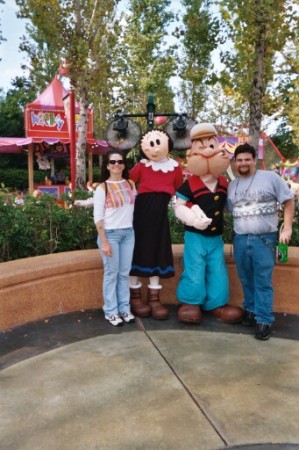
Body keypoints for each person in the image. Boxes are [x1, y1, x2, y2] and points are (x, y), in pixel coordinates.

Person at [174, 123, 243, 324]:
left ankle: (217, 304)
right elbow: (178, 206)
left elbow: (229, 205)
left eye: (210, 146)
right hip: (195, 237)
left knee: (217, 269)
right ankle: (190, 302)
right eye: (201, 147)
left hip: (216, 238)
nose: (206, 152)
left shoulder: (223, 183)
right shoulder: (190, 183)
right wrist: (193, 219)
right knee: (194, 268)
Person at [227, 143, 295, 340]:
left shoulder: (270, 178)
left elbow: (288, 201)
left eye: (247, 159)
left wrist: (288, 227)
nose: (243, 163)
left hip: (264, 239)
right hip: (240, 239)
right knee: (246, 278)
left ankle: (264, 319)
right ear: (234, 163)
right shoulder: (233, 185)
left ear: (254, 160)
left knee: (263, 281)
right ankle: (250, 310)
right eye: (239, 160)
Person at [129, 129, 183, 320]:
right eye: (149, 145)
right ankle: (134, 296)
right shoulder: (141, 166)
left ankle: (154, 299)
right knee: (136, 252)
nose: (154, 149)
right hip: (139, 217)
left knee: (157, 252)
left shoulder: (175, 167)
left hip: (160, 219)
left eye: (158, 143)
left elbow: (181, 193)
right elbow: (125, 184)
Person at [93, 150, 136, 326]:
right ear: (107, 165)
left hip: (128, 233)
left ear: (124, 164)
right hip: (110, 234)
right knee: (111, 274)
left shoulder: (131, 184)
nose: (116, 164)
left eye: (120, 161)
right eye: (113, 162)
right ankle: (111, 311)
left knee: (124, 274)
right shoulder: (102, 187)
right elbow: (98, 216)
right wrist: (103, 241)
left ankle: (124, 308)